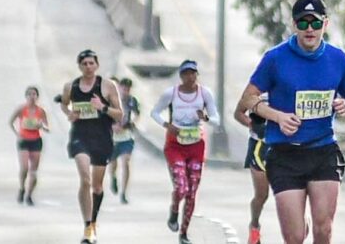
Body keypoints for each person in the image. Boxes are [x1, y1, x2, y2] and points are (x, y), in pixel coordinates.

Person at [237, 0, 345, 244]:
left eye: (315, 23)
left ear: (325, 25)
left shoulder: (339, 59)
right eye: (303, 23)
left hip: (323, 151)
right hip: (284, 154)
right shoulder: (275, 58)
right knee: (294, 237)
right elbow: (248, 98)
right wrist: (278, 116)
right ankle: (297, 225)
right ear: (294, 25)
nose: (309, 30)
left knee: (324, 230)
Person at [151, 60, 220, 244]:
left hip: (196, 144)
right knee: (182, 187)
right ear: (181, 76)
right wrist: (167, 125)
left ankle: (184, 232)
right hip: (175, 144)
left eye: (193, 74)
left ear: (197, 75)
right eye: (186, 74)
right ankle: (174, 210)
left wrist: (205, 117)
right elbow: (155, 112)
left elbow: (216, 119)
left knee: (192, 191)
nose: (190, 77)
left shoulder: (204, 94)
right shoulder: (171, 93)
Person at [61, 50, 124, 244]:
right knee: (85, 180)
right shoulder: (70, 86)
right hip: (80, 136)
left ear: (97, 65)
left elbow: (119, 114)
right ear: (79, 66)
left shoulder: (107, 86)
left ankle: (93, 221)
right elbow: (65, 105)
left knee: (97, 186)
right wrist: (70, 113)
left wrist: (102, 107)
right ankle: (87, 225)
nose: (88, 67)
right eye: (84, 64)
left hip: (102, 138)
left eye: (91, 63)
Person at [235, 95, 270, 244]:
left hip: (285, 148)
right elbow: (238, 113)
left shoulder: (291, 85)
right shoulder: (255, 89)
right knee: (262, 195)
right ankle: (255, 225)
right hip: (259, 146)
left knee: (293, 194)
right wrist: (251, 124)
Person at [10, 86, 50, 205]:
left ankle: (29, 195)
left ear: (37, 96)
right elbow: (11, 122)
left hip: (36, 141)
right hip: (24, 140)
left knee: (33, 171)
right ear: (26, 96)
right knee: (24, 168)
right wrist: (18, 134)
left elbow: (47, 127)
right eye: (29, 94)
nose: (32, 97)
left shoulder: (41, 111)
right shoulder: (21, 109)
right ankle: (22, 188)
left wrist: (42, 126)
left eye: (34, 94)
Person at [109, 77, 141, 204]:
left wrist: (130, 124)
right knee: (112, 163)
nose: (125, 91)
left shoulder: (132, 101)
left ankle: (123, 193)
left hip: (127, 136)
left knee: (126, 162)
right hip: (112, 138)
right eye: (124, 88)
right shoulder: (111, 100)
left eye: (128, 89)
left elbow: (137, 115)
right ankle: (113, 178)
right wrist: (112, 126)